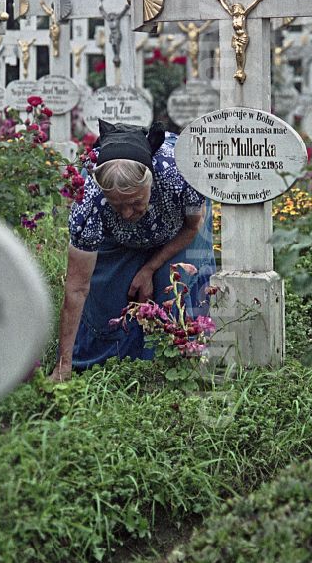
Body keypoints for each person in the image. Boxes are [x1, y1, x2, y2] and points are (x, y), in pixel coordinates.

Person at [51, 119, 214, 381]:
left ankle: (177, 371)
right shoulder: (89, 203)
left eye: (136, 201)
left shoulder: (182, 177)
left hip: (177, 232)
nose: (127, 213)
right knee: (108, 309)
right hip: (118, 241)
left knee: (176, 299)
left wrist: (150, 268)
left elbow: (193, 227)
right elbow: (77, 287)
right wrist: (63, 364)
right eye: (117, 205)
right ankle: (111, 366)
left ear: (151, 182)